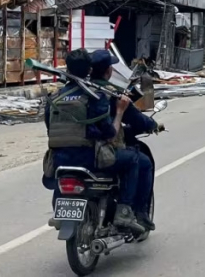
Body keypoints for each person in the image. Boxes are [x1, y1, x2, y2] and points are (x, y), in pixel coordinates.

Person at [42, 49, 143, 230]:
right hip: (91, 158)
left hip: (58, 159)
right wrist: (119, 112)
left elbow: (50, 129)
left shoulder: (55, 98)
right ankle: (124, 211)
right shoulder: (96, 97)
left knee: (66, 161)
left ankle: (59, 209)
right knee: (133, 159)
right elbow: (110, 133)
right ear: (89, 70)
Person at [89, 49, 159, 231]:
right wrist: (152, 125)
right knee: (140, 161)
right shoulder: (112, 95)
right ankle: (132, 211)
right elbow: (136, 119)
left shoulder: (75, 92)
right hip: (101, 151)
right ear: (108, 71)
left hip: (71, 153)